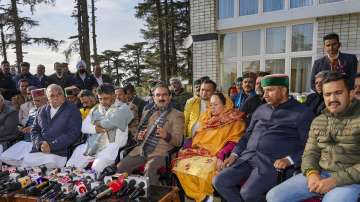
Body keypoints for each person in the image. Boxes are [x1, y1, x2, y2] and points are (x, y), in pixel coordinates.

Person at [212, 74, 315, 202]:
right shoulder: (261, 109)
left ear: (283, 91)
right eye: (264, 90)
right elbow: (247, 135)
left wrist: (290, 160)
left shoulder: (302, 113)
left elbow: (310, 146)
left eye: (270, 90)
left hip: (271, 163)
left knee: (248, 193)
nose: (265, 95)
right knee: (220, 181)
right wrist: (235, 154)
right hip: (247, 157)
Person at [266, 71, 360, 202]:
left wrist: (335, 180)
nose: (332, 99)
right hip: (321, 173)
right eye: (327, 94)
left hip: (351, 180)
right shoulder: (319, 121)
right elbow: (310, 152)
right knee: (274, 196)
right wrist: (311, 173)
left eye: (338, 93)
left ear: (350, 94)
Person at [173, 92, 246, 202]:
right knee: (180, 166)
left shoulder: (235, 121)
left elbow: (234, 141)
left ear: (225, 105)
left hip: (218, 154)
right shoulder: (208, 118)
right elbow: (197, 135)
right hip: (201, 152)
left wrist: (221, 155)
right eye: (211, 105)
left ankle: (205, 198)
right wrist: (185, 146)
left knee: (202, 173)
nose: (212, 107)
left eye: (215, 104)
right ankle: (205, 198)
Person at [116, 83, 184, 185]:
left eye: (164, 95)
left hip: (162, 153)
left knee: (150, 169)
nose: (161, 98)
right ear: (153, 98)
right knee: (121, 166)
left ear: (170, 97)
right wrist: (138, 136)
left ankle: (152, 197)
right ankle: (123, 194)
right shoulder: (147, 112)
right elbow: (138, 133)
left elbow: (178, 142)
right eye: (158, 95)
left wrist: (166, 135)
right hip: (142, 150)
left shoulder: (177, 115)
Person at [67, 84, 133, 173]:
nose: (102, 102)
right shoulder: (96, 109)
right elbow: (83, 127)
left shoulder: (123, 108)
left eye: (106, 98)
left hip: (113, 146)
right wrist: (96, 129)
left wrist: (96, 123)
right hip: (94, 143)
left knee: (96, 168)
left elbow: (109, 124)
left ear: (114, 96)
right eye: (100, 99)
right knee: (71, 164)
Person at [21, 84, 82, 168]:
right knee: (24, 166)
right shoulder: (41, 110)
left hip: (59, 153)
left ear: (63, 95)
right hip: (39, 150)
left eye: (59, 94)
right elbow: (34, 130)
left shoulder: (72, 110)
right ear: (47, 98)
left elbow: (73, 133)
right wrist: (40, 143)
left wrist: (51, 146)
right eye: (52, 95)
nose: (56, 97)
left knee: (46, 167)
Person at [0, 88, 47, 166]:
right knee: (5, 157)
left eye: (38, 100)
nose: (34, 102)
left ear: (45, 100)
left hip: (38, 142)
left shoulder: (49, 111)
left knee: (27, 162)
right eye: (33, 100)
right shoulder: (32, 110)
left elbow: (51, 128)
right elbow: (25, 125)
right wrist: (21, 127)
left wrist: (33, 128)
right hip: (25, 140)